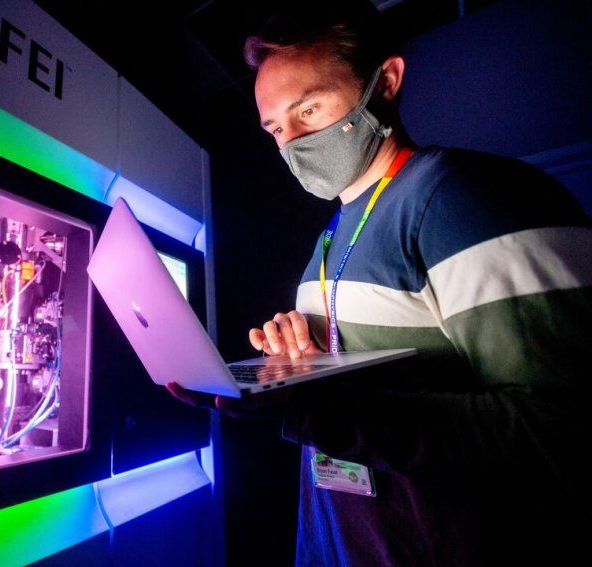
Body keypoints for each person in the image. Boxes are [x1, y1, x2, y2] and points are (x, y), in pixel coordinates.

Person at [167, 1, 592, 564]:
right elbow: (378, 371)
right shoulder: (333, 230)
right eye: (275, 128)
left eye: (310, 109)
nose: (290, 142)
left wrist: (313, 409)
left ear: (385, 82)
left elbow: (559, 436)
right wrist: (304, 358)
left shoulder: (462, 199)